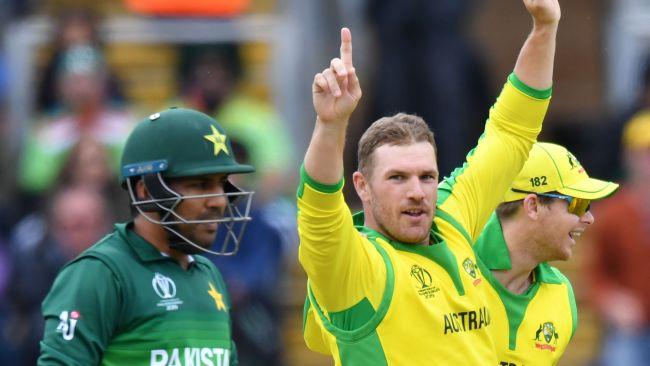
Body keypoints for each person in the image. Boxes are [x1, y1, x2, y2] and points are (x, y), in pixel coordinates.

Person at [298, 0, 560, 363]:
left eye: (427, 176)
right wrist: (330, 125)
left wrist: (545, 27)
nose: (417, 192)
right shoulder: (354, 267)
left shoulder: (451, 220)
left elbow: (512, 131)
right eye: (397, 178)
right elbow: (319, 210)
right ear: (362, 186)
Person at [38, 107, 254, 365]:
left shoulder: (209, 275)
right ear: (146, 192)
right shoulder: (102, 273)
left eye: (222, 183)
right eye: (200, 184)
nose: (219, 200)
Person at [472, 142, 618, 366]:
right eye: (579, 204)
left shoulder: (561, 294)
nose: (590, 218)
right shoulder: (455, 259)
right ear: (532, 206)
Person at [589, 110, 650, 366]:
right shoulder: (613, 213)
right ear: (629, 157)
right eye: (643, 153)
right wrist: (613, 302)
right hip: (632, 329)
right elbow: (595, 275)